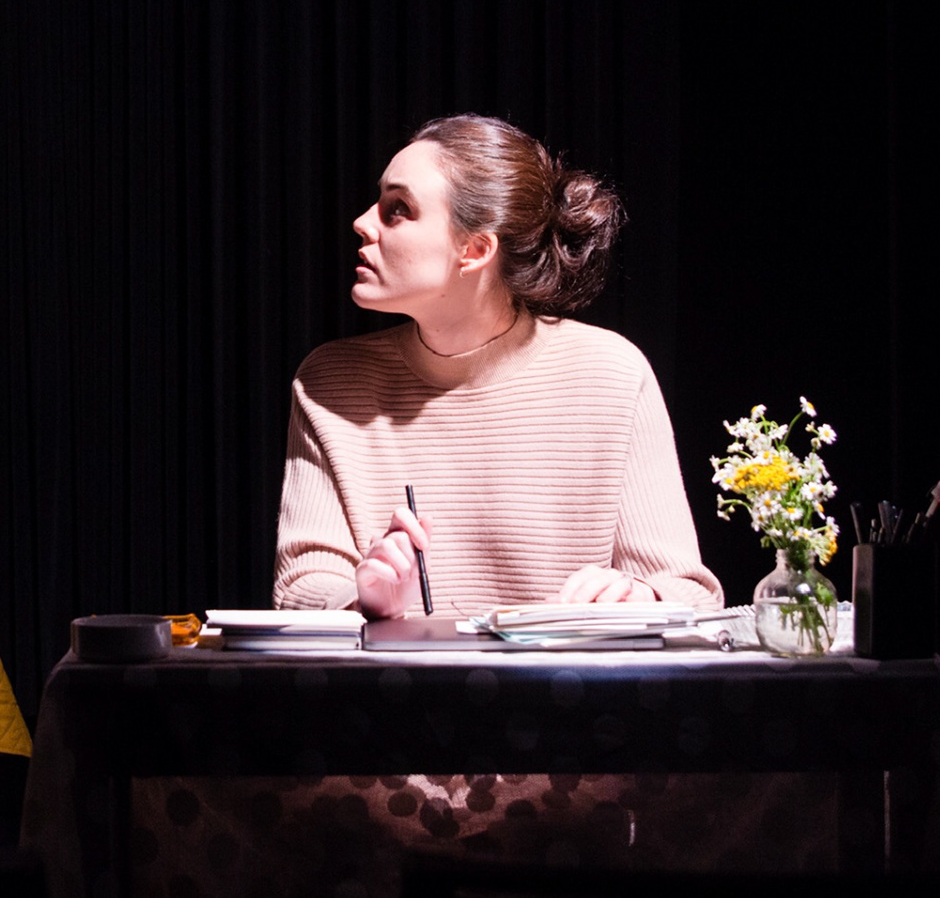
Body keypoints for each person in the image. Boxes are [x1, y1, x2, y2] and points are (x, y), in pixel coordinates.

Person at [274, 114, 720, 617]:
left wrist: (639, 596)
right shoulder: (330, 381)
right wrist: (362, 598)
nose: (362, 222)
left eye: (398, 209)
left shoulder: (611, 374)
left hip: (569, 672)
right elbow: (299, 586)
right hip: (398, 672)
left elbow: (689, 592)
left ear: (475, 250)